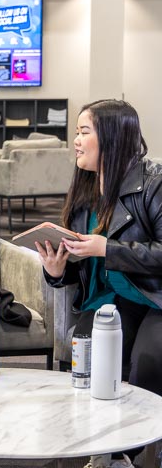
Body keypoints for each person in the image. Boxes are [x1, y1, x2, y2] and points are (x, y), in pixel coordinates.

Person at [36, 99, 162, 468]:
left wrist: (110, 248)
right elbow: (81, 265)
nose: (75, 140)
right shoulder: (84, 193)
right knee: (86, 358)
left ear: (111, 137)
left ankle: (142, 450)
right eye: (76, 132)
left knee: (147, 362)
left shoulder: (153, 185)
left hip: (153, 300)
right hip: (106, 301)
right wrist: (56, 271)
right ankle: (103, 448)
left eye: (83, 132)